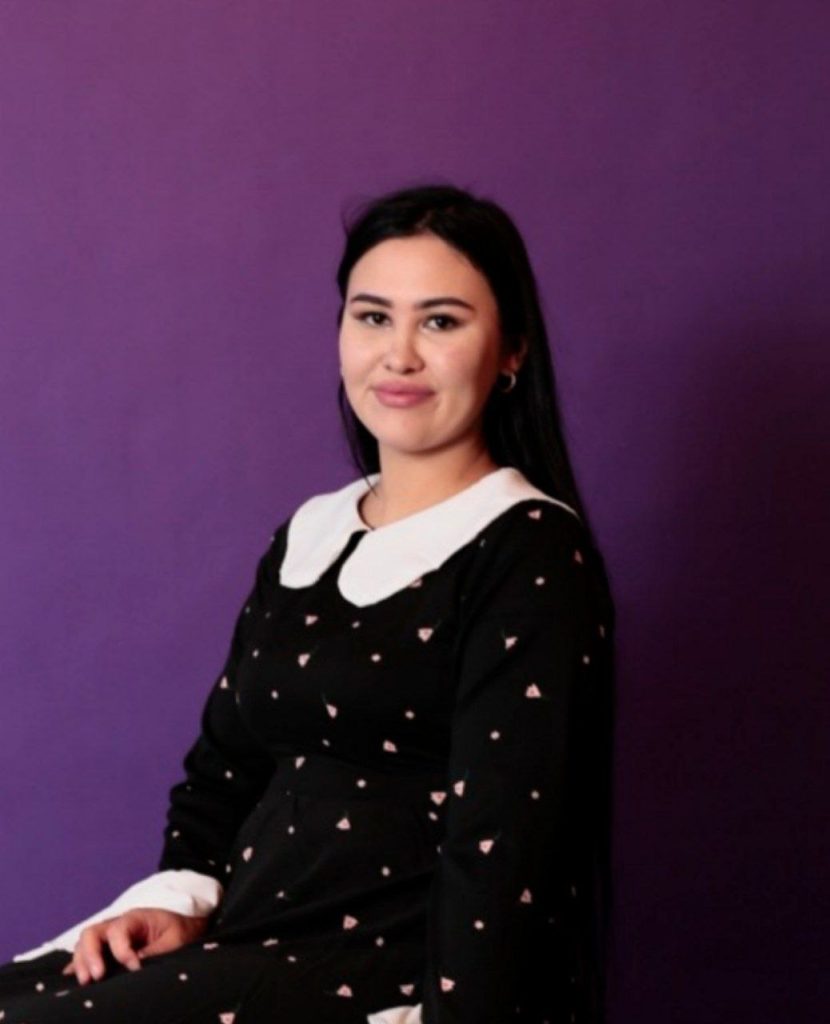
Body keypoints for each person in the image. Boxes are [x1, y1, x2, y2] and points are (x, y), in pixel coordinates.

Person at [0, 182, 616, 1023]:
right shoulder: (310, 534)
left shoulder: (528, 550)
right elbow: (225, 769)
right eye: (373, 317)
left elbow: (506, 847)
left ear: (511, 350)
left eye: (440, 322)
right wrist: (179, 898)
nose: (398, 355)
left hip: (393, 970)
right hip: (249, 933)